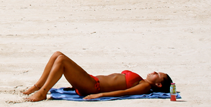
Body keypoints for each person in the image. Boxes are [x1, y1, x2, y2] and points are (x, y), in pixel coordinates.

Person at [23, 51, 173, 102]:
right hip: (91, 80)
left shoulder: (145, 86)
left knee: (62, 60)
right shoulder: (141, 80)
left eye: (158, 74)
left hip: (94, 87)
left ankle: (42, 92)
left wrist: (100, 95)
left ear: (159, 84)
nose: (154, 71)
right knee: (57, 55)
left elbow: (125, 93)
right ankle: (37, 87)